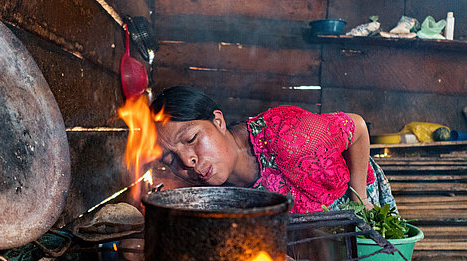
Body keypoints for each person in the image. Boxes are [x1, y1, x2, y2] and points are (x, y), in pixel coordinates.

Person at [150, 85, 397, 214]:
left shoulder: (287, 135)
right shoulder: (208, 185)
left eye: (192, 138)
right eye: (170, 158)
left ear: (218, 121)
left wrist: (361, 198)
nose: (187, 161)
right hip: (312, 247)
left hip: (358, 205)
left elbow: (359, 128)